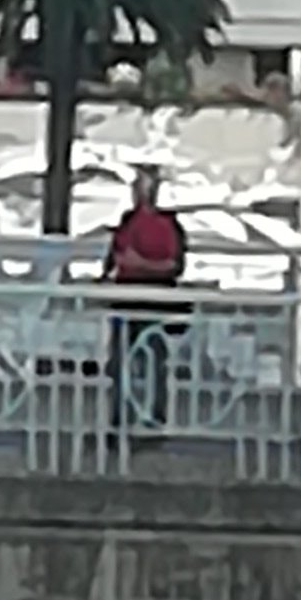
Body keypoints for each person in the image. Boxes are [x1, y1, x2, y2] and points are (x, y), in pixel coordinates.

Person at [101, 163, 188, 432]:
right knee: (119, 360)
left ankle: (154, 416)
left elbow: (174, 265)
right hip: (125, 298)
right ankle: (119, 417)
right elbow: (113, 258)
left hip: (153, 300)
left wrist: (141, 264)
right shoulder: (127, 221)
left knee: (154, 360)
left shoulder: (169, 225)